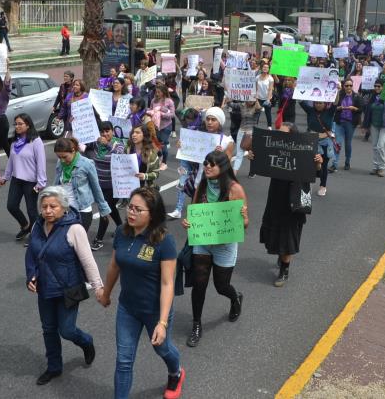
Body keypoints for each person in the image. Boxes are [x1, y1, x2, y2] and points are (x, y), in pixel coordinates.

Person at [99, 186, 185, 399]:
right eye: (130, 207)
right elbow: (114, 266)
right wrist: (106, 293)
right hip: (128, 308)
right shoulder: (121, 232)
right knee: (124, 360)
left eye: (138, 209)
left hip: (155, 311)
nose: (131, 212)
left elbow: (167, 284)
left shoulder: (164, 241)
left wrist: (162, 323)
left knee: (162, 350)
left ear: (152, 214)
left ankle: (176, 372)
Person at [25, 186, 102, 386]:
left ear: (64, 208)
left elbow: (88, 261)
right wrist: (31, 276)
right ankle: (54, 367)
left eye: (53, 206)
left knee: (66, 330)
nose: (48, 211)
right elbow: (32, 255)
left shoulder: (74, 229)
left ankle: (86, 342)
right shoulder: (37, 226)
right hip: (45, 287)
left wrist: (99, 287)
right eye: (44, 207)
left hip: (69, 288)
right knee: (49, 329)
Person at [181, 151, 248, 348]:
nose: (208, 167)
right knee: (199, 284)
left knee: (221, 286)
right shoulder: (201, 186)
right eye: (206, 163)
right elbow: (193, 214)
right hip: (202, 243)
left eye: (212, 164)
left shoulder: (235, 189)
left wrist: (243, 217)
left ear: (223, 167)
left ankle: (235, 297)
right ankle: (196, 325)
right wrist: (188, 223)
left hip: (225, 246)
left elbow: (245, 224)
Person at [256, 122, 322, 286]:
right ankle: (281, 255)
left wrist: (318, 162)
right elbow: (259, 157)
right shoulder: (275, 147)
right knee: (276, 232)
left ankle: (284, 271)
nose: (280, 136)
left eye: (284, 133)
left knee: (289, 236)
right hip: (276, 198)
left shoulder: (304, 149)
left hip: (295, 200)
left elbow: (317, 171)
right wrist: (253, 156)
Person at [0, 114, 47, 241]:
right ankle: (26, 226)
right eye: (16, 124)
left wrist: (41, 182)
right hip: (16, 180)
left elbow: (41, 162)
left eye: (20, 124)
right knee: (11, 206)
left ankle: (36, 235)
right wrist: (6, 177)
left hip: (31, 182)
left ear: (28, 125)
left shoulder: (36, 142)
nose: (17, 126)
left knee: (32, 211)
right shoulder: (15, 141)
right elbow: (11, 161)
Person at [53, 136, 111, 232]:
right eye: (59, 157)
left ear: (73, 150)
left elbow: (96, 188)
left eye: (64, 157)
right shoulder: (60, 163)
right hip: (64, 210)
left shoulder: (87, 164)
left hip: (82, 211)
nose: (62, 160)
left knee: (77, 242)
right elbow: (56, 183)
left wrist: (104, 209)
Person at [84, 123, 125, 249]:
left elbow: (119, 156)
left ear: (112, 131)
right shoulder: (96, 143)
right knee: (111, 207)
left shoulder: (118, 144)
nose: (104, 134)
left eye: (107, 131)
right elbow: (82, 144)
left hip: (113, 185)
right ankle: (121, 227)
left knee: (104, 209)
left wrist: (106, 144)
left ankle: (99, 239)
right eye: (102, 132)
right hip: (98, 184)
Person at [361, 80, 385, 177]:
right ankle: (376, 166)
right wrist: (365, 126)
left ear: (383, 87)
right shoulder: (372, 97)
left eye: (379, 86)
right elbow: (367, 112)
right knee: (375, 147)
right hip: (374, 125)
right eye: (375, 86)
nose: (376, 88)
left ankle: (382, 167)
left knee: (381, 146)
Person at [300, 101, 335, 195]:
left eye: (321, 103)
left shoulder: (330, 111)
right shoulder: (310, 110)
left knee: (323, 165)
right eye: (316, 103)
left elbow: (336, 102)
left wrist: (337, 90)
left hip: (325, 143)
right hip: (311, 141)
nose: (318, 105)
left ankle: (323, 186)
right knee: (309, 164)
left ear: (325, 103)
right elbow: (301, 101)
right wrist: (297, 87)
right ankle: (308, 185)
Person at [333, 79, 364, 170]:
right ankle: (334, 164)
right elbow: (333, 107)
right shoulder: (339, 95)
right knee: (337, 143)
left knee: (348, 143)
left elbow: (361, 109)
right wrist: (338, 108)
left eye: (350, 85)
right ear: (343, 86)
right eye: (346, 85)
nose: (349, 87)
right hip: (339, 122)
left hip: (350, 123)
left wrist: (355, 108)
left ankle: (347, 162)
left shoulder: (357, 96)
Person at [147, 84, 175, 172]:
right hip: (155, 126)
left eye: (159, 92)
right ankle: (159, 156)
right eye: (156, 92)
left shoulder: (169, 101)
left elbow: (172, 115)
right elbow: (150, 109)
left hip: (166, 126)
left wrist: (162, 114)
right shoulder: (153, 101)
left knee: (163, 143)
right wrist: (149, 112)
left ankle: (164, 162)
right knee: (156, 143)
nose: (157, 94)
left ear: (163, 92)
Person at [127, 124, 161, 190]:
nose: (134, 135)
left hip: (144, 188)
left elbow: (156, 173)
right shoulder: (128, 149)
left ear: (144, 135)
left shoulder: (151, 154)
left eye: (137, 132)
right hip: (128, 186)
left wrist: (145, 176)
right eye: (133, 132)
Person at [256, 63, 276, 129]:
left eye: (267, 67)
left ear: (268, 69)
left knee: (268, 113)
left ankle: (269, 126)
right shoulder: (257, 77)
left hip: (267, 98)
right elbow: (256, 89)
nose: (265, 68)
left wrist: (268, 100)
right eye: (264, 67)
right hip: (258, 98)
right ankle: (255, 127)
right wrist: (256, 99)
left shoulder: (271, 79)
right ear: (261, 68)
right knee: (257, 113)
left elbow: (270, 89)